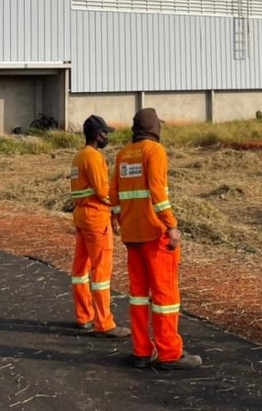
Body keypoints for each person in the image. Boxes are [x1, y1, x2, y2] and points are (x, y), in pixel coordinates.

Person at [111, 108, 202, 370]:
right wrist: (171, 225)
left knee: (138, 296)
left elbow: (113, 193)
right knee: (165, 297)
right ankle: (169, 354)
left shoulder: (123, 154)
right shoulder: (155, 152)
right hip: (154, 234)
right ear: (154, 128)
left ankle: (141, 351)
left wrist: (120, 219)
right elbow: (157, 192)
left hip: (132, 235)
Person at [70, 114, 130, 338]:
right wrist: (117, 209)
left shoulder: (78, 157)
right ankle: (104, 323)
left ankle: (83, 316)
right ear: (97, 135)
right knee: (101, 270)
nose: (107, 137)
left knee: (80, 270)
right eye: (105, 133)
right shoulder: (94, 157)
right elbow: (103, 191)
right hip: (96, 217)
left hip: (81, 216)